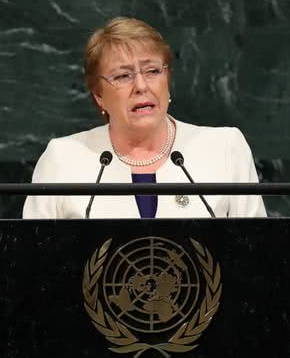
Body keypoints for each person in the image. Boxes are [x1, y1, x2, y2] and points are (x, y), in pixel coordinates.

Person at [22, 17, 266, 219]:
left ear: (167, 80)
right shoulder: (63, 159)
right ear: (99, 95)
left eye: (152, 71)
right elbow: (32, 264)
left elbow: (257, 255)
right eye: (122, 76)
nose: (141, 86)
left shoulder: (225, 148)